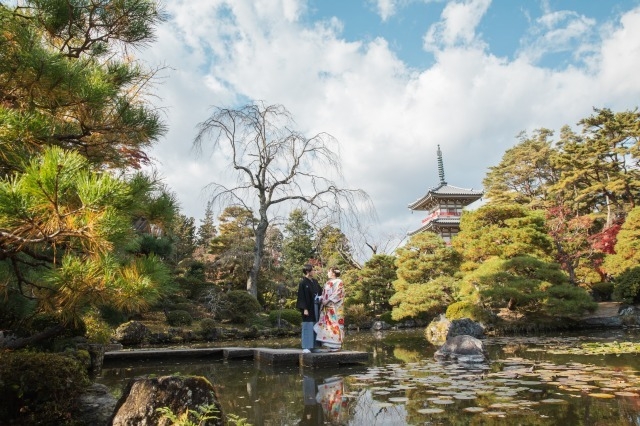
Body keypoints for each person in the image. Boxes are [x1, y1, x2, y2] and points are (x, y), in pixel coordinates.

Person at [314, 267, 345, 352]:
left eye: (329, 271)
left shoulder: (339, 282)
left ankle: (337, 345)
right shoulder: (328, 282)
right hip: (326, 308)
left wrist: (328, 300)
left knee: (335, 324)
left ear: (333, 273)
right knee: (328, 326)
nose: (327, 273)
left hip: (335, 307)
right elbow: (325, 294)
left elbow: (338, 293)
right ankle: (331, 345)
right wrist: (321, 298)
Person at [296, 264, 323, 353]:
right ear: (307, 271)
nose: (314, 272)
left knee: (316, 325)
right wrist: (304, 308)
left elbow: (320, 292)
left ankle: (314, 346)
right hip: (308, 307)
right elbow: (301, 296)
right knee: (308, 325)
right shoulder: (303, 283)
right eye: (312, 270)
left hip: (316, 306)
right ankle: (306, 346)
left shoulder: (315, 282)